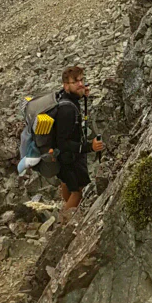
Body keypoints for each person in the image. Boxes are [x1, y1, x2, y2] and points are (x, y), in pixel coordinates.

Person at [53, 64, 104, 222]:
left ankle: (65, 208)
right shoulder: (67, 111)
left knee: (66, 182)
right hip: (70, 158)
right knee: (78, 192)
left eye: (82, 80)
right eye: (76, 82)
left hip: (62, 159)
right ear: (66, 85)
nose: (81, 84)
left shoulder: (64, 98)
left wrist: (83, 95)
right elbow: (63, 142)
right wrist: (89, 147)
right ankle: (63, 225)